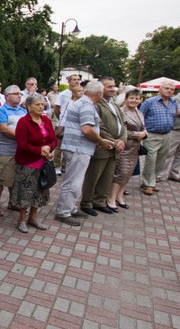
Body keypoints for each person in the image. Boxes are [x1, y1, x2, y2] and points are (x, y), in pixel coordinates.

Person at [54, 81, 113, 226]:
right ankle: (64, 212)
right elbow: (86, 129)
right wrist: (101, 140)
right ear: (99, 93)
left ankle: (71, 208)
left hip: (77, 147)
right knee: (74, 181)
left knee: (74, 180)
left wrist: (96, 140)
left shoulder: (83, 103)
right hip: (78, 149)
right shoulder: (86, 105)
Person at [78, 77, 127, 216]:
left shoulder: (115, 104)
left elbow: (123, 124)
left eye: (113, 86)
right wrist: (115, 141)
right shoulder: (96, 104)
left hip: (114, 148)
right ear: (100, 89)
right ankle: (87, 202)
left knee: (107, 177)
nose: (112, 89)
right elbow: (100, 126)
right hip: (103, 146)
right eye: (108, 86)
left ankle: (99, 201)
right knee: (93, 176)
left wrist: (123, 139)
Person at [12, 94, 58, 233]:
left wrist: (49, 148)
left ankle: (33, 218)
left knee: (40, 190)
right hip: (27, 163)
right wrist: (40, 151)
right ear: (29, 107)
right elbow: (22, 144)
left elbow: (54, 140)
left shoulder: (46, 120)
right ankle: (22, 220)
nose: (41, 107)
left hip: (43, 163)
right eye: (37, 104)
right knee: (25, 192)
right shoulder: (23, 122)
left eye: (42, 104)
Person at [106, 88, 146, 210]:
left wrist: (145, 133)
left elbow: (142, 128)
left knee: (128, 174)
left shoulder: (139, 112)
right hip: (123, 147)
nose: (134, 100)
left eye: (137, 98)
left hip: (134, 149)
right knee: (120, 173)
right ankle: (110, 198)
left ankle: (119, 196)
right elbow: (119, 130)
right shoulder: (121, 111)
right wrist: (137, 135)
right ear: (126, 99)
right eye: (132, 98)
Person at [0, 85, 27, 216]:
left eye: (20, 94)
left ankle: (13, 202)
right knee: (2, 178)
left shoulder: (23, 111)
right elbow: (4, 129)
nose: (19, 95)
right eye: (16, 93)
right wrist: (23, 137)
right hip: (5, 150)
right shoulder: (1, 110)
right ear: (7, 96)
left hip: (20, 151)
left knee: (15, 178)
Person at [139, 81, 178, 196]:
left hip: (167, 134)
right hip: (152, 134)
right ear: (160, 89)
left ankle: (151, 181)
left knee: (161, 160)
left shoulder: (173, 102)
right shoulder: (149, 102)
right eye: (167, 88)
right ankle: (148, 184)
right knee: (151, 159)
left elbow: (174, 117)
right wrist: (144, 131)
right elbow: (140, 116)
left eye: (172, 89)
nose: (169, 91)